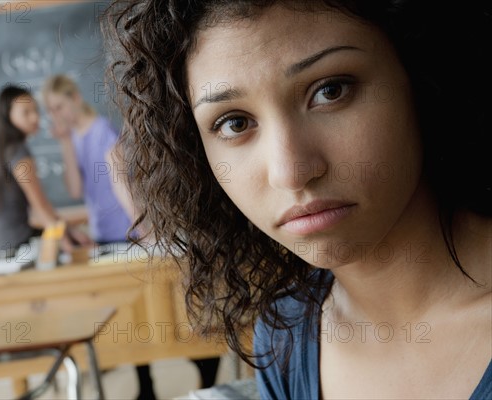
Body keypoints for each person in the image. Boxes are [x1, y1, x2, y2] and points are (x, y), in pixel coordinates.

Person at [102, 1, 491, 399]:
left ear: (420, 75)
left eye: (330, 91)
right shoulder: (287, 332)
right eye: (235, 123)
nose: (290, 172)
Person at [42, 74, 221, 399]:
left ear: (75, 97)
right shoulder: (77, 138)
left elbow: (124, 183)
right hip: (106, 236)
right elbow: (74, 190)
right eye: (51, 110)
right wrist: (64, 143)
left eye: (60, 106)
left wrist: (143, 230)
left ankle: (203, 365)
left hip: (130, 233)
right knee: (133, 315)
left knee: (163, 310)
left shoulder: (103, 132)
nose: (58, 115)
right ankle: (147, 384)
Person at [0, 85, 90, 259]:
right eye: (26, 112)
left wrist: (67, 229)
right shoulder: (19, 153)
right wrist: (70, 246)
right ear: (8, 116)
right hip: (16, 250)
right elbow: (40, 207)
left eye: (36, 110)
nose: (35, 117)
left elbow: (41, 211)